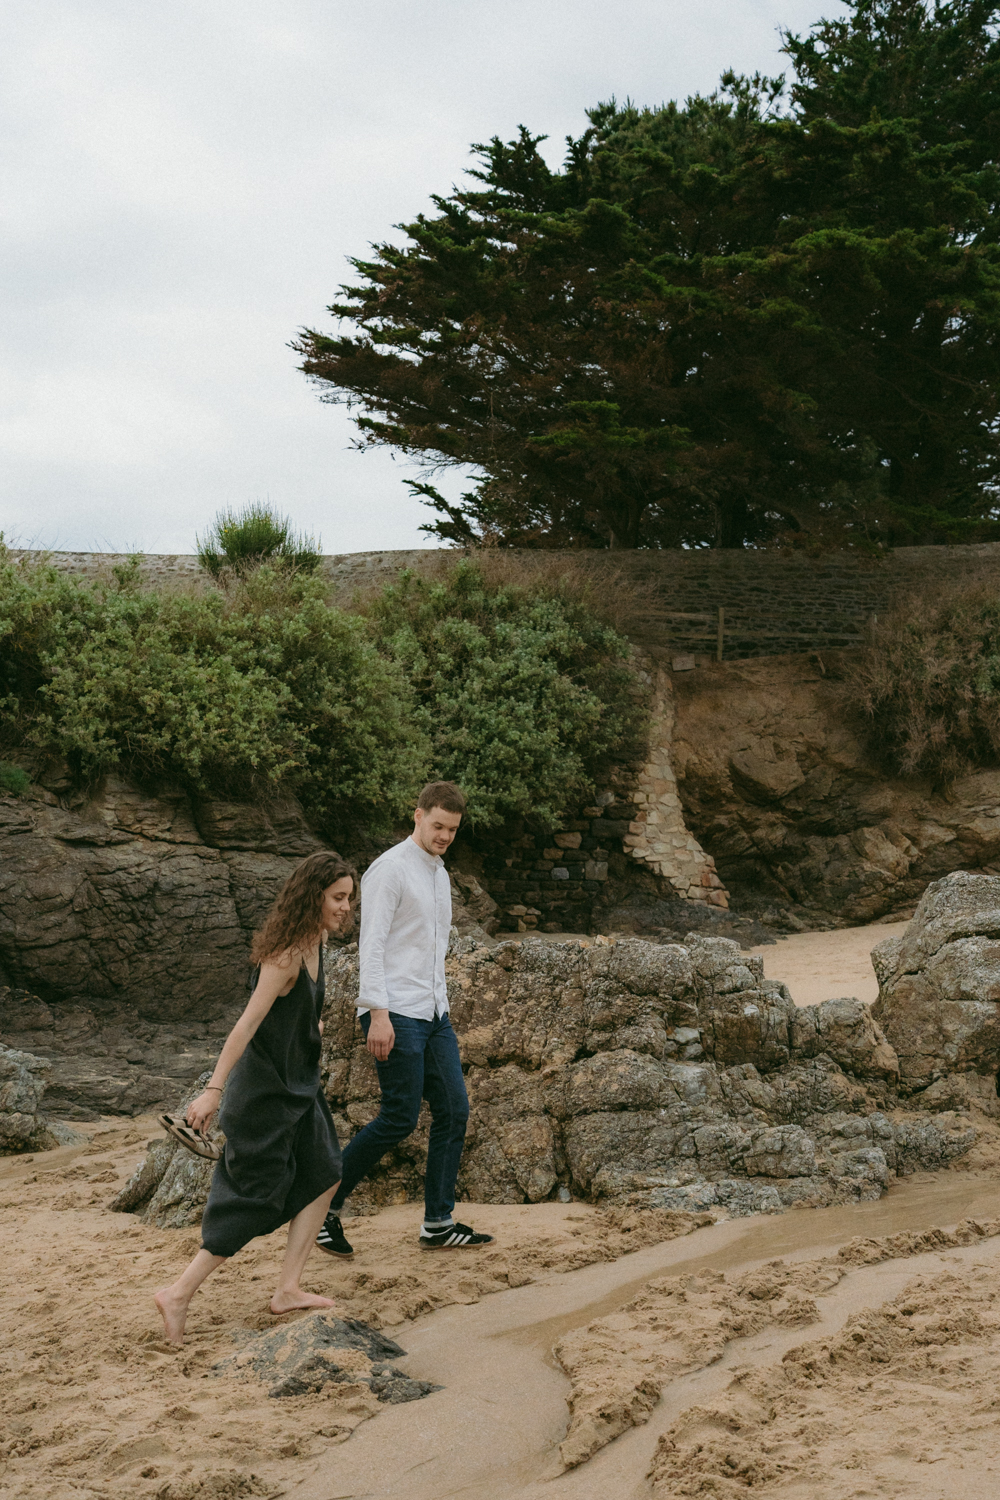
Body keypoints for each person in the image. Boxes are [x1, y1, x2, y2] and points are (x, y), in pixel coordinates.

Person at [154, 850, 355, 1345]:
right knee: (253, 1200)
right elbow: (246, 1024)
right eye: (338, 898)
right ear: (313, 897)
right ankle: (178, 1293)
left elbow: (294, 1015)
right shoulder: (284, 955)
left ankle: (287, 1288)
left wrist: (311, 1025)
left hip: (297, 1088)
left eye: (350, 898)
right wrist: (212, 1091)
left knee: (325, 1173)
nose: (346, 907)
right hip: (263, 1096)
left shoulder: (318, 942)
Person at [316, 781, 493, 1257]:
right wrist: (377, 1013)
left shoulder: (439, 873)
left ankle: (438, 1222)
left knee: (455, 1110)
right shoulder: (389, 869)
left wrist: (442, 1006)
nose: (445, 836)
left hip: (434, 1012)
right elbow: (370, 946)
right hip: (394, 1012)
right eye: (437, 825)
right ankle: (322, 1210)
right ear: (417, 816)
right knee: (398, 1117)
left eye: (453, 829)